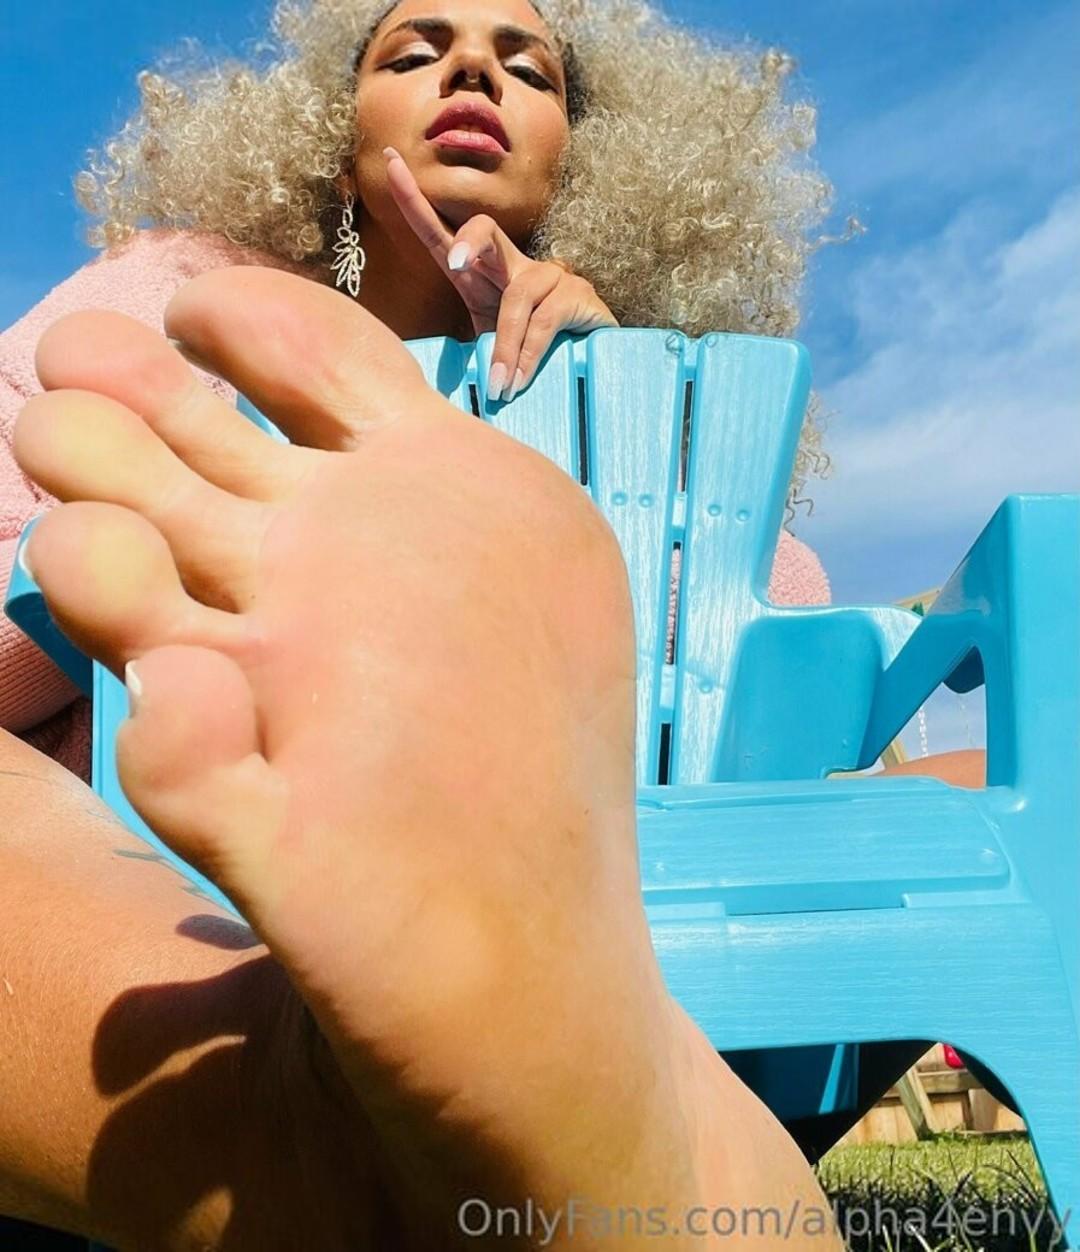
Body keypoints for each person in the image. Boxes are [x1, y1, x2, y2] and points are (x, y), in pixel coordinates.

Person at [0, 0, 982, 1244]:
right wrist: (121, 585)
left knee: (992, 788)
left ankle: (569, 1124)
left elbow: (769, 666)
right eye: (414, 51)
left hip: (625, 871)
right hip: (144, 875)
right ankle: (317, 1124)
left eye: (532, 69)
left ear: (587, 159)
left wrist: (625, 412)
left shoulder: (659, 390)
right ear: (328, 138)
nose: (472, 65)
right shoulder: (178, 294)